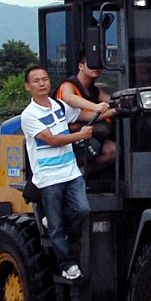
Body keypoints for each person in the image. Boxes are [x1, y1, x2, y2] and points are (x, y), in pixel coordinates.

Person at [21, 66, 95, 280]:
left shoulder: (59, 106)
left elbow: (83, 115)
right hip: (49, 178)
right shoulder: (29, 115)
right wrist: (80, 136)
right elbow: (52, 140)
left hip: (71, 172)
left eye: (44, 79)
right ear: (28, 86)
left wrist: (110, 110)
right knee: (55, 230)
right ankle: (68, 265)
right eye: (36, 81)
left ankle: (55, 222)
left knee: (82, 209)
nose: (42, 83)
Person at [55, 51, 116, 173]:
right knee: (92, 146)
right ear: (80, 66)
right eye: (92, 63)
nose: (96, 68)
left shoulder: (95, 90)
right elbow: (69, 98)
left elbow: (109, 102)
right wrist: (95, 107)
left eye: (100, 65)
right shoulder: (68, 85)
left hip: (87, 134)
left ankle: (79, 174)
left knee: (112, 150)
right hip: (65, 138)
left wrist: (120, 105)